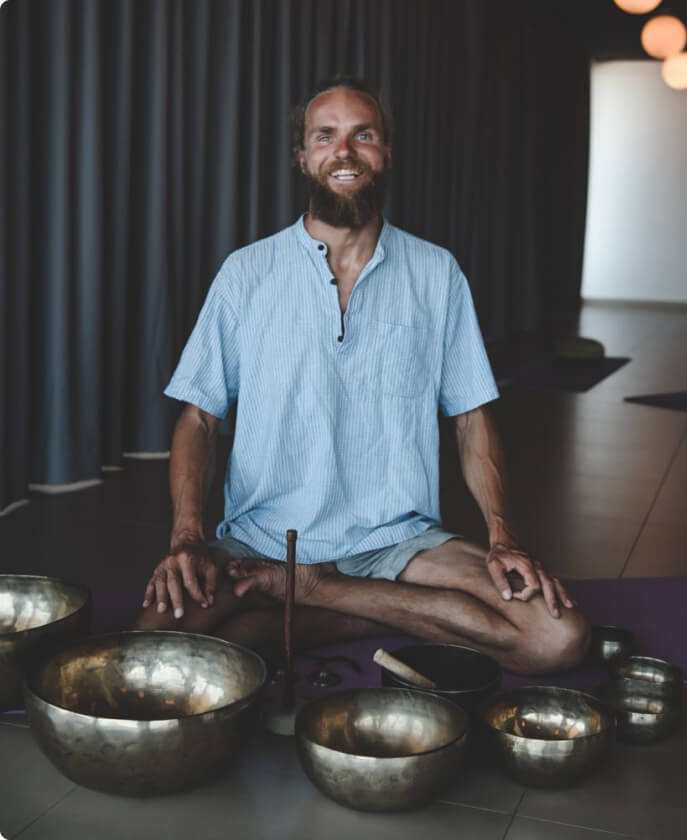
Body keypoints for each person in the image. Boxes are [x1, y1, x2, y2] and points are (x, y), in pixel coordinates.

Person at [136, 76, 590, 674]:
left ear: (386, 153)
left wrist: (502, 535)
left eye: (363, 135)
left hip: (400, 544)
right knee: (154, 643)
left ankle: (310, 596)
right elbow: (198, 417)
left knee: (555, 638)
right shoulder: (246, 273)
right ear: (303, 157)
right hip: (262, 540)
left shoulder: (436, 273)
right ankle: (375, 610)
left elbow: (471, 417)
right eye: (325, 136)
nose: (344, 151)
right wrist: (188, 538)